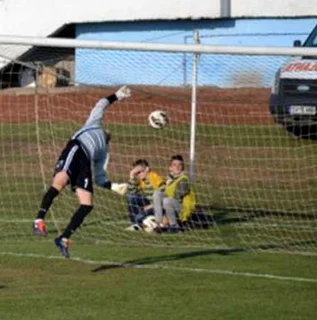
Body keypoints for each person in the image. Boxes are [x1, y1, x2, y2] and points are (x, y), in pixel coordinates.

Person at [33, 86, 132, 258]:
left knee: (87, 204)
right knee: (60, 182)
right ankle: (39, 220)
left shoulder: (103, 152)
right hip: (77, 149)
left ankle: (63, 238)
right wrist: (117, 96)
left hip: (85, 162)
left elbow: (100, 177)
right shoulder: (94, 124)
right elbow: (101, 105)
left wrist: (114, 187)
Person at [152, 155, 196, 233]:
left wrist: (165, 215)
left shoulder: (183, 179)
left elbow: (177, 198)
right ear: (170, 167)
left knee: (167, 200)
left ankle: (174, 225)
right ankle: (159, 222)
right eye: (174, 165)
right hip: (171, 206)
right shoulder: (170, 179)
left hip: (183, 209)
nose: (177, 167)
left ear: (182, 167)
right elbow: (163, 192)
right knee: (157, 194)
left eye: (179, 165)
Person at [124, 159, 165, 231]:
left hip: (158, 205)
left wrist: (151, 205)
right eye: (136, 173)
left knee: (139, 217)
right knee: (131, 197)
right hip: (148, 203)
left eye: (140, 172)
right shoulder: (140, 180)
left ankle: (145, 223)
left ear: (147, 169)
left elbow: (164, 194)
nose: (138, 175)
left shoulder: (154, 176)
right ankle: (135, 224)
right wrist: (131, 177)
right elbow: (130, 193)